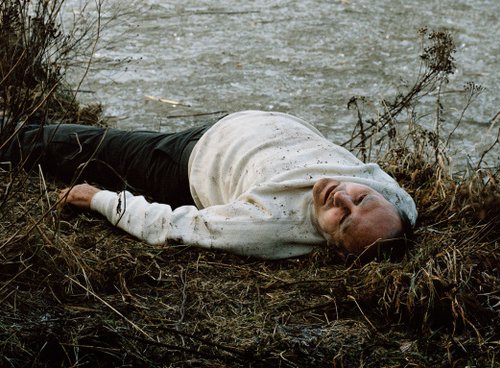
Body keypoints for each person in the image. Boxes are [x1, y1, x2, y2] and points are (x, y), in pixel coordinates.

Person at [1, 110, 417, 259]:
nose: (341, 195)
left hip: (187, 160)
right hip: (233, 128)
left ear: (336, 248)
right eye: (360, 197)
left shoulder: (270, 225)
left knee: (83, 144)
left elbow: (173, 228)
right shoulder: (396, 203)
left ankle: (10, 135)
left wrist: (99, 199)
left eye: (341, 217)